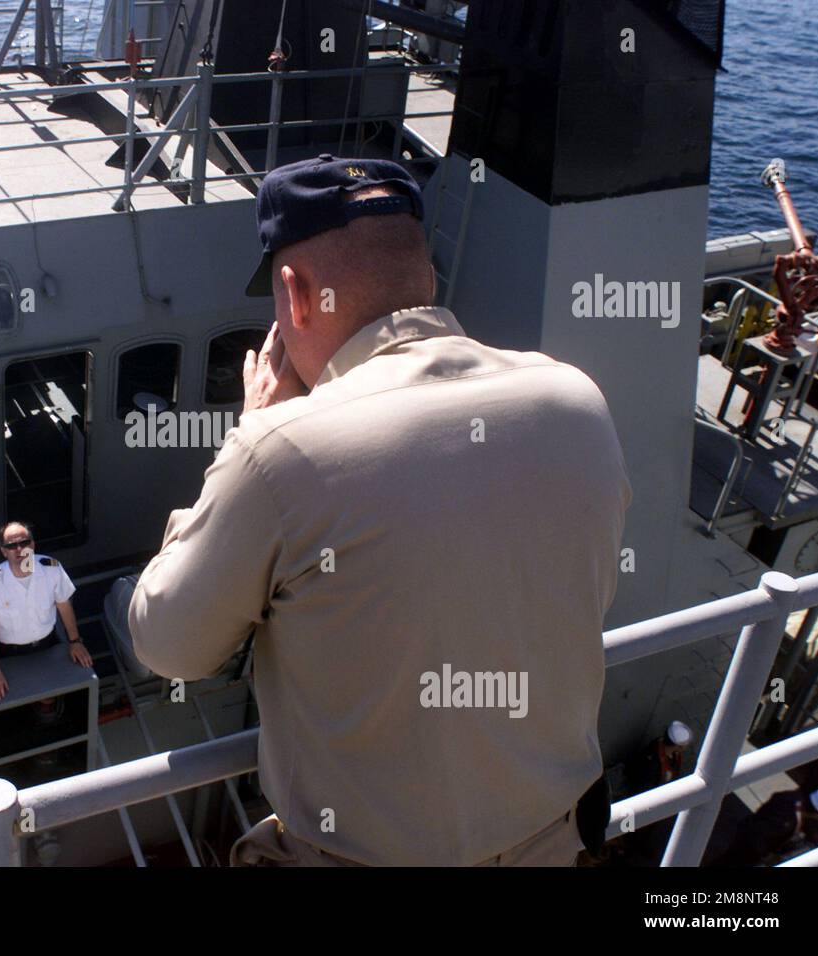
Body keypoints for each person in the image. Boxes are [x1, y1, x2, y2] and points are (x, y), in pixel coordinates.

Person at [127, 154, 632, 866]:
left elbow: (165, 642)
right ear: (425, 278)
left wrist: (248, 433)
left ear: (296, 296)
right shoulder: (578, 400)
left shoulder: (279, 451)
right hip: (560, 843)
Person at [0, 521, 94, 701]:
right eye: (12, 545)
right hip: (8, 654)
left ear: (33, 544)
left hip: (47, 645)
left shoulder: (51, 568)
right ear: (4, 551)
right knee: (12, 701)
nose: (19, 549)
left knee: (54, 696)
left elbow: (64, 605)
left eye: (24, 542)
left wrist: (75, 641)